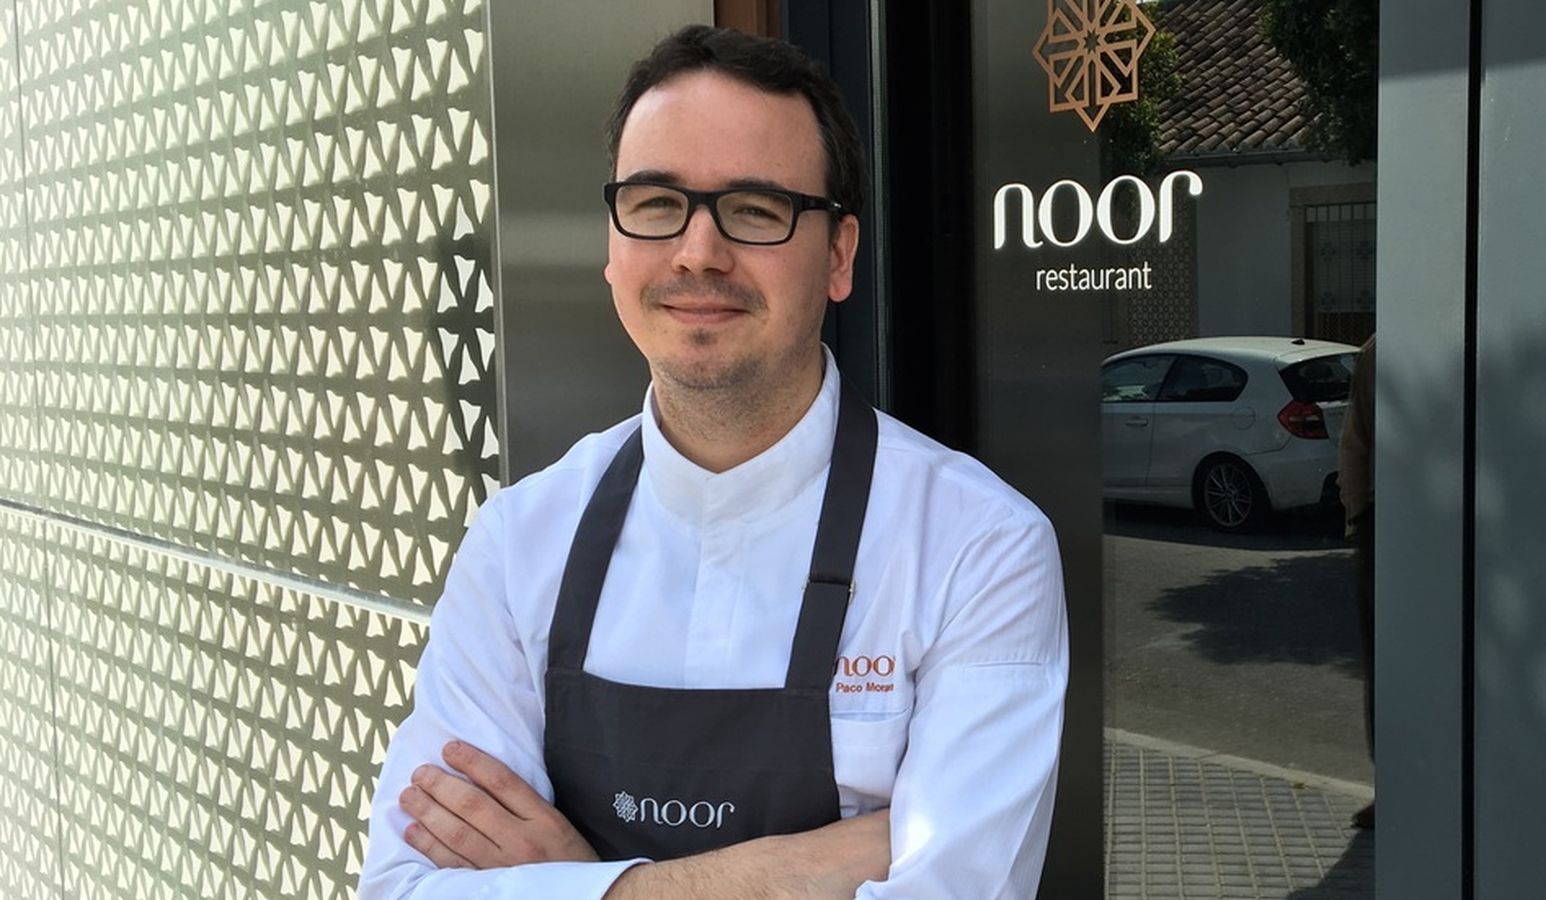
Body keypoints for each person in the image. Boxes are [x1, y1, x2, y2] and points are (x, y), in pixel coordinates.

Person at [358, 24, 1069, 900]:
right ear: (613, 247)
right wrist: (803, 866)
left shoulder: (979, 547)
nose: (698, 252)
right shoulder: (516, 543)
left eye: (756, 209)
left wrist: (571, 883)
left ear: (839, 256)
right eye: (657, 204)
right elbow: (402, 889)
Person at [1338, 333, 1376, 830]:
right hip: (1386, 521)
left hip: (1385, 519)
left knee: (1385, 663)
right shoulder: (1381, 350)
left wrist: (1358, 516)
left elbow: (1354, 440)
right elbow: (1356, 440)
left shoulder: (1379, 349)